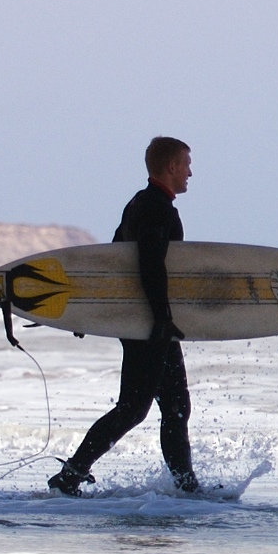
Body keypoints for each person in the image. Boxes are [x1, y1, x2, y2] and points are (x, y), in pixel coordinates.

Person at [51, 137, 200, 496]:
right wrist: (161, 319)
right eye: (186, 164)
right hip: (149, 323)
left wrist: (89, 310)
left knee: (175, 407)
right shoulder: (157, 210)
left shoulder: (139, 203)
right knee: (135, 408)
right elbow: (149, 265)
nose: (190, 173)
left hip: (148, 321)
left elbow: (114, 261)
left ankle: (186, 487)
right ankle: (70, 475)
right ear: (170, 167)